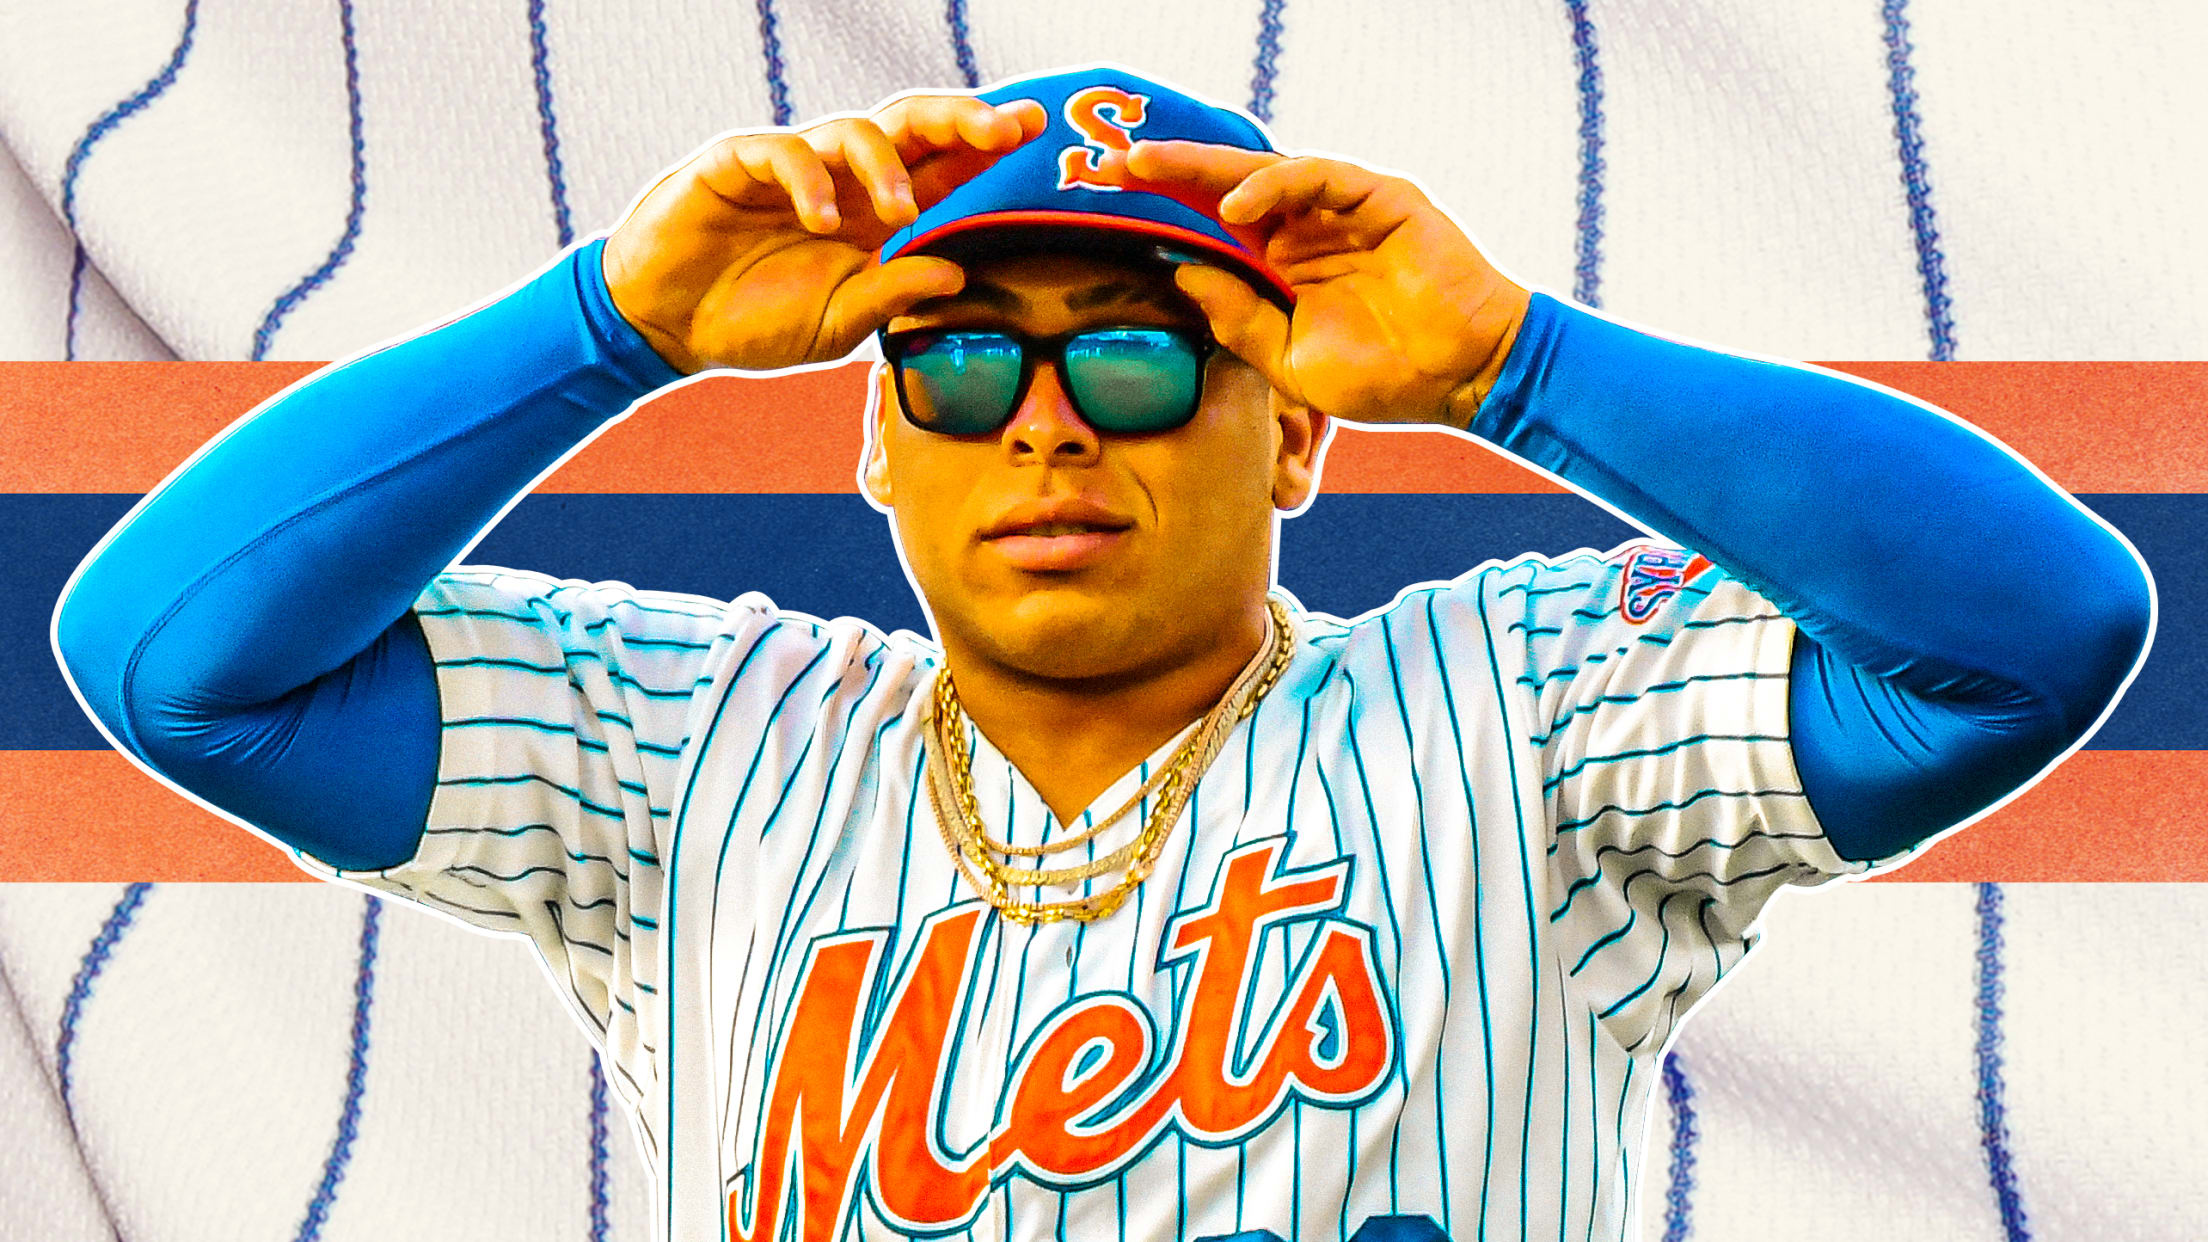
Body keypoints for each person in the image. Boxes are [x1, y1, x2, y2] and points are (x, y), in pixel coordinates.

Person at [53, 66, 2150, 1242]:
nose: (1043, 421)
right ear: (877, 445)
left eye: (1141, 354)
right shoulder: (702, 754)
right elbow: (173, 660)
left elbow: (2029, 632)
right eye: (958, 360)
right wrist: (612, 323)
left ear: (1301, 428)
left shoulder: (1519, 723)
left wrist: (1518, 362)